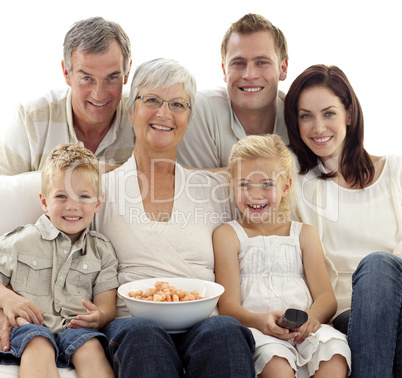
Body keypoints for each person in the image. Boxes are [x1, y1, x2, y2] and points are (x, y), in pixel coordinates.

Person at [91, 57, 255, 378]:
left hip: (205, 321)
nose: (164, 113)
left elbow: (269, 194)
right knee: (144, 336)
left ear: (189, 117)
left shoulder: (216, 189)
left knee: (225, 331)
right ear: (131, 109)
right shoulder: (100, 189)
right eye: (151, 100)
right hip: (131, 325)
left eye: (178, 104)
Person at [284, 64, 402, 377]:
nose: (318, 127)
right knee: (376, 265)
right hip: (348, 316)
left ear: (349, 114)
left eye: (329, 113)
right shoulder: (297, 185)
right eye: (306, 115)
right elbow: (241, 172)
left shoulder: (396, 171)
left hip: (399, 301)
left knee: (383, 268)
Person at [213, 134, 350, 377]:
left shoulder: (304, 234)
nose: (255, 195)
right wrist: (259, 321)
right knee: (276, 365)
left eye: (267, 184)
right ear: (232, 186)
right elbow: (228, 306)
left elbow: (326, 297)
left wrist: (312, 317)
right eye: (245, 185)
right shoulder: (228, 235)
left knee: (335, 354)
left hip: (308, 329)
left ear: (285, 186)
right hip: (260, 330)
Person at [0, 143, 118, 377]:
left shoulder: (102, 250)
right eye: (61, 196)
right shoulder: (20, 241)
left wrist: (99, 316)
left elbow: (107, 305)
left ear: (98, 202)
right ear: (44, 201)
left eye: (83, 196)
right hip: (30, 326)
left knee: (91, 347)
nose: (72, 206)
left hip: (76, 328)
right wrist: (7, 298)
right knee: (38, 344)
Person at [0, 16, 133, 176]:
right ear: (66, 73)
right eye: (86, 78)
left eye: (111, 78)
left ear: (127, 73)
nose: (99, 94)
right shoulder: (31, 119)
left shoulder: (144, 118)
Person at [177, 13, 289, 169]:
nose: (249, 75)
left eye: (262, 62)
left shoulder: (301, 117)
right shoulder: (201, 109)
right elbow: (193, 187)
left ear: (283, 69)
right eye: (238, 63)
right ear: (224, 70)